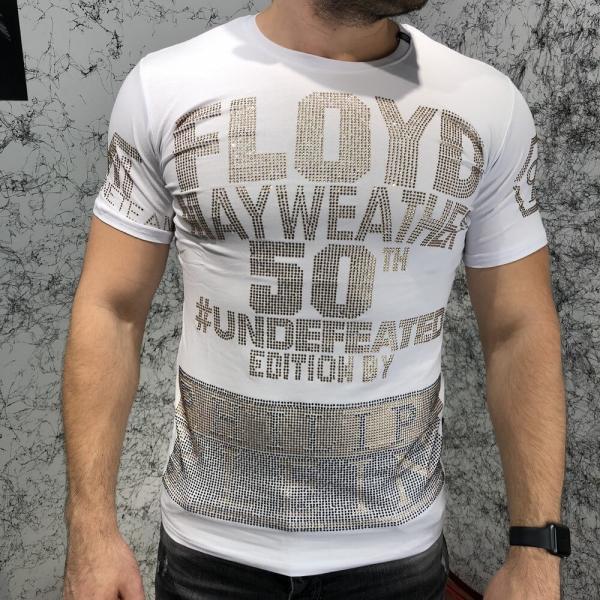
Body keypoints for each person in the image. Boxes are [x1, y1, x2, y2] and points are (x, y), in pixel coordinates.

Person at [61, 0, 568, 599]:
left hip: (395, 553)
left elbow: (519, 327)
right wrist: (90, 529)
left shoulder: (486, 103)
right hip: (211, 551)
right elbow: (112, 309)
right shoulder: (166, 86)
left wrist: (537, 547)